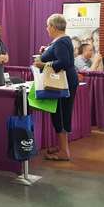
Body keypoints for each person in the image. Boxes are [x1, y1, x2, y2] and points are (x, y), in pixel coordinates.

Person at [34, 14, 78, 162]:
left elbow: (64, 62)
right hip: (66, 81)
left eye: (47, 26)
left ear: (53, 27)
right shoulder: (62, 40)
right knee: (59, 113)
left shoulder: (61, 42)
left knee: (60, 115)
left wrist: (44, 64)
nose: (47, 29)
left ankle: (64, 152)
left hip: (62, 83)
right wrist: (46, 51)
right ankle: (62, 147)